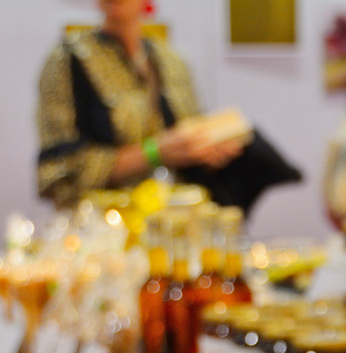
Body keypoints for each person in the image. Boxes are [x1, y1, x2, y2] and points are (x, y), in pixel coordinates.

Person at [36, 0, 299, 211]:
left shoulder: (171, 61)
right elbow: (60, 172)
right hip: (104, 231)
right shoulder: (68, 61)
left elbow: (190, 143)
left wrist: (209, 150)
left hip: (174, 221)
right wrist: (155, 152)